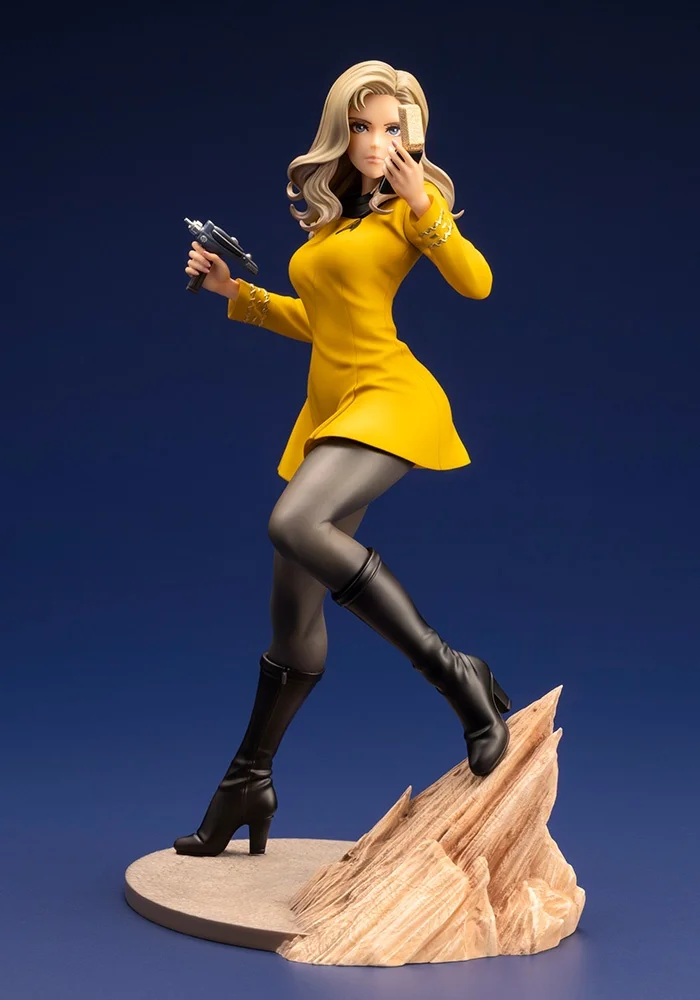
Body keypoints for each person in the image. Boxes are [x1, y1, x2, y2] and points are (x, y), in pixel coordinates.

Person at [174, 59, 511, 859]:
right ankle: (247, 781)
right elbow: (322, 325)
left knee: (294, 522)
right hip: (331, 412)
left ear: (414, 136)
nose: (375, 141)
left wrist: (426, 206)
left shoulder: (408, 214)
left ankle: (455, 673)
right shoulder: (332, 228)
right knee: (293, 619)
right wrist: (234, 293)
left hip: (389, 397)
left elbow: (478, 283)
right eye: (362, 125)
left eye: (392, 127)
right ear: (340, 131)